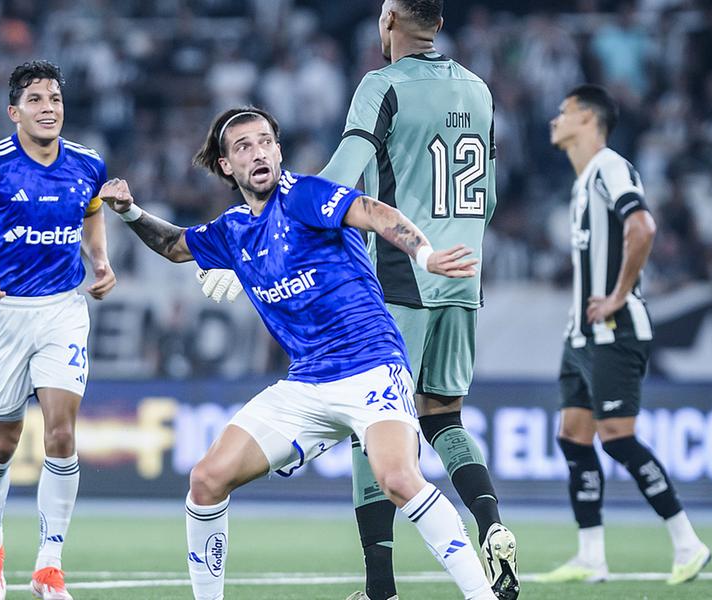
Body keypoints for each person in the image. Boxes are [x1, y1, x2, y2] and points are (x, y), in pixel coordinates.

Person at [101, 106, 497, 600]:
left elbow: (375, 213)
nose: (258, 152)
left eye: (266, 141)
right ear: (227, 166)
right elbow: (177, 245)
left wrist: (426, 255)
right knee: (206, 479)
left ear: (278, 150)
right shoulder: (234, 230)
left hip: (370, 365)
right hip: (307, 384)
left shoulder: (305, 195)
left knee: (398, 478)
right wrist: (130, 213)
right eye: (243, 146)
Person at [198, 3, 517, 598]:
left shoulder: (382, 83)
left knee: (370, 425)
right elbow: (491, 196)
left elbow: (341, 178)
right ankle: (491, 522)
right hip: (465, 272)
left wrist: (264, 237)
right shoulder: (478, 89)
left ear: (389, 17)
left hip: (403, 275)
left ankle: (380, 586)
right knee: (442, 414)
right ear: (439, 22)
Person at [0, 60, 116, 600]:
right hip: (3, 312)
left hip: (63, 309)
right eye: (37, 100)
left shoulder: (88, 163)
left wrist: (101, 260)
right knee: (1, 443)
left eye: (56, 100)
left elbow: (93, 210)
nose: (49, 108)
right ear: (14, 112)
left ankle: (49, 565)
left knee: (62, 434)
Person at [540, 83, 710, 585]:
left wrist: (617, 295)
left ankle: (688, 543)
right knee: (574, 436)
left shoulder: (610, 166)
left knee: (616, 438)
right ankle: (591, 557)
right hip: (582, 336)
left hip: (614, 329)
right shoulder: (582, 181)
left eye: (564, 111)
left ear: (589, 120)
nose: (555, 118)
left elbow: (644, 227)